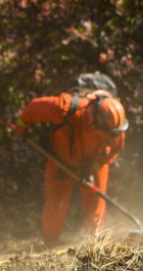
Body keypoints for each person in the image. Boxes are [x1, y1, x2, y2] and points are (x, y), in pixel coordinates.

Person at [14, 88, 128, 245]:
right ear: (95, 125)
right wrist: (21, 126)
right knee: (56, 204)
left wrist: (91, 169)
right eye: (108, 134)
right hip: (61, 160)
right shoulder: (66, 108)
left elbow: (113, 151)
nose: (112, 138)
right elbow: (34, 108)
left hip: (93, 163)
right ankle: (50, 243)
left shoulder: (115, 129)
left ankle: (94, 242)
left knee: (96, 202)